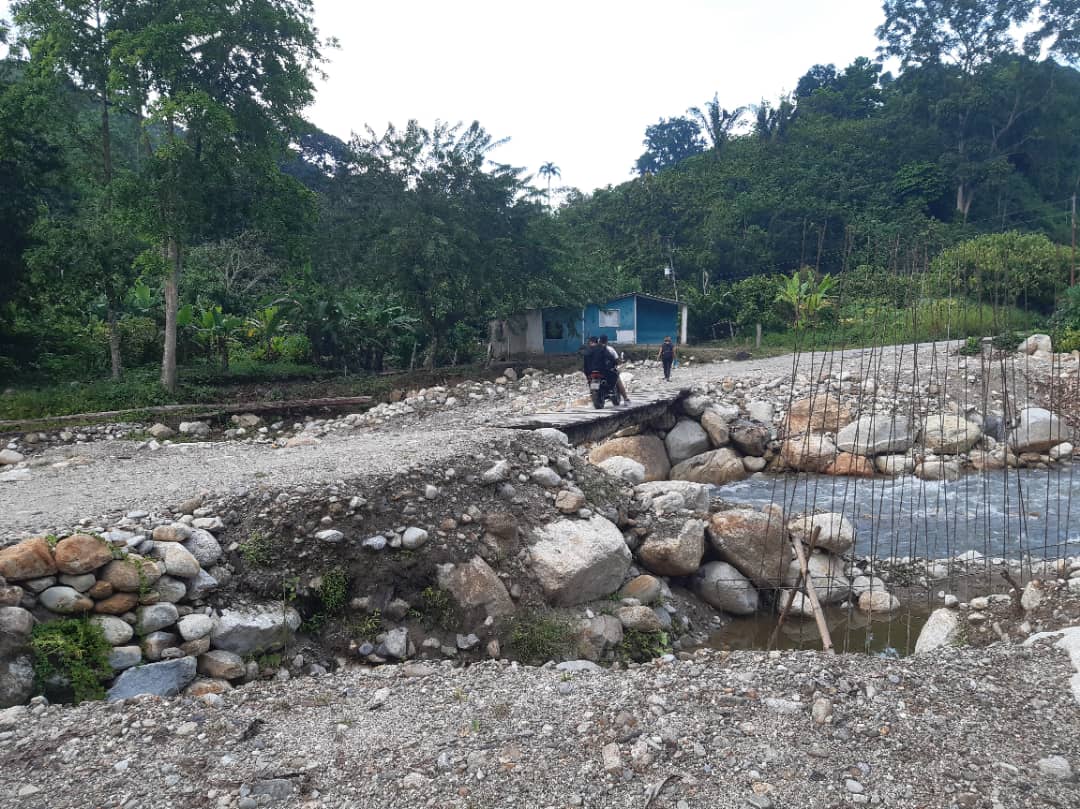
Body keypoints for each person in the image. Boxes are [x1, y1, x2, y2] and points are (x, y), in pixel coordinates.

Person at [597, 335, 630, 403]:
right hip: (607, 371)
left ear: (599, 341)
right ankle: (626, 399)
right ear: (606, 341)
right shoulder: (609, 349)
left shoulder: (594, 349)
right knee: (617, 379)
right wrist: (620, 362)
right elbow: (617, 360)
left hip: (595, 371)